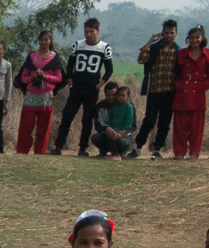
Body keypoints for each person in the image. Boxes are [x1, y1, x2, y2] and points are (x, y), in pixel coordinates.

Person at [51, 18, 113, 155]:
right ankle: (58, 147)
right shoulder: (78, 45)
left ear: (97, 31)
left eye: (91, 31)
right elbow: (70, 65)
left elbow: (109, 70)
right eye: (86, 32)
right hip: (77, 87)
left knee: (87, 119)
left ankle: (82, 148)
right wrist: (70, 81)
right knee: (67, 116)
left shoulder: (104, 47)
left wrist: (99, 85)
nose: (88, 34)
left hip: (91, 88)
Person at [134, 19, 180, 159]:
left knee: (164, 123)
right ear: (162, 33)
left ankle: (157, 149)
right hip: (154, 91)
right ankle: (138, 147)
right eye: (166, 33)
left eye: (172, 33)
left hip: (170, 92)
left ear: (176, 33)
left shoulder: (178, 50)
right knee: (149, 121)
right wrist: (150, 40)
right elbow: (141, 59)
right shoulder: (154, 47)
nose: (169, 36)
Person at [16, 31, 65, 154]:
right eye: (41, 39)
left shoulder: (54, 58)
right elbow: (23, 78)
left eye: (46, 39)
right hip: (31, 95)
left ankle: (40, 152)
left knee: (43, 128)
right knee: (26, 127)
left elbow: (59, 78)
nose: (43, 42)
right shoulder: (32, 57)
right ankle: (22, 151)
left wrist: (45, 76)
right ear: (38, 40)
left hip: (47, 97)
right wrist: (32, 77)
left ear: (50, 41)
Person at [172, 26, 209, 160]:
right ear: (188, 39)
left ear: (202, 38)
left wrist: (205, 85)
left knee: (197, 126)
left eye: (197, 37)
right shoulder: (182, 53)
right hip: (182, 93)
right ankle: (179, 152)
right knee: (180, 126)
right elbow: (175, 72)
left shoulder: (208, 54)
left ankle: (194, 152)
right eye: (191, 38)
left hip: (198, 92)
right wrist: (178, 84)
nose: (194, 40)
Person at [89, 83, 136, 159]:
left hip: (123, 134)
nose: (111, 97)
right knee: (95, 138)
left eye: (113, 95)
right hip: (108, 133)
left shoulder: (128, 106)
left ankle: (121, 153)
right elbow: (98, 125)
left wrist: (123, 132)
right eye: (108, 95)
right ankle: (104, 152)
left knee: (123, 142)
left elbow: (133, 125)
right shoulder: (100, 106)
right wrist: (107, 128)